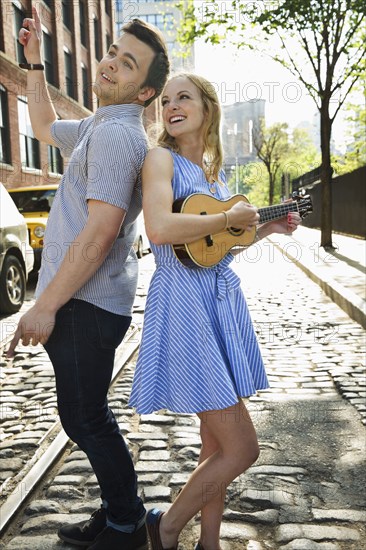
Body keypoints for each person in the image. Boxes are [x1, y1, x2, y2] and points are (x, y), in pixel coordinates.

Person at [7, 6, 169, 550]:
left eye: (127, 65)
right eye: (112, 54)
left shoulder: (122, 136)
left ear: (145, 93)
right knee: (84, 415)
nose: (109, 66)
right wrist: (34, 62)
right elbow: (43, 127)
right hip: (84, 304)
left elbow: (100, 234)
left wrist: (45, 305)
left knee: (85, 418)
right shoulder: (102, 124)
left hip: (86, 305)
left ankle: (126, 524)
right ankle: (119, 513)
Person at [129, 73, 301, 550]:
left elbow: (214, 250)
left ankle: (210, 542)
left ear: (207, 107)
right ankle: (164, 527)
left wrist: (267, 230)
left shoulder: (213, 175)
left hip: (217, 302)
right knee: (243, 449)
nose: (172, 105)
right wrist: (229, 217)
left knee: (214, 446)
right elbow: (161, 229)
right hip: (185, 306)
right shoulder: (158, 158)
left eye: (183, 97)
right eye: (165, 100)